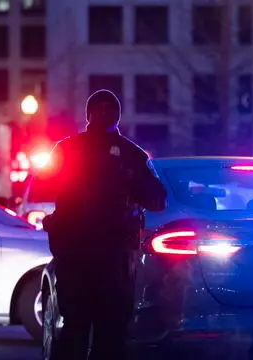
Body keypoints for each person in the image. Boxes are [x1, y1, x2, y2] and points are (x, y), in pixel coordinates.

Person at [41, 89, 167, 360]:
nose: (103, 115)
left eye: (108, 109)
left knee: (93, 329)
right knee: (93, 330)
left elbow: (156, 199)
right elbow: (157, 199)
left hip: (102, 257)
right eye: (100, 109)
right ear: (89, 114)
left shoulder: (125, 154)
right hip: (93, 257)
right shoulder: (120, 153)